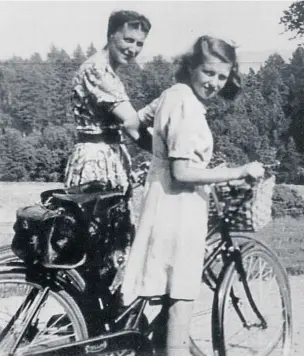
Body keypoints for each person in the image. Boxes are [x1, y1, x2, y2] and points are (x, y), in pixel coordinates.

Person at [121, 35, 265, 356]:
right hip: (179, 211)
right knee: (180, 307)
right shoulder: (186, 104)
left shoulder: (172, 95)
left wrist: (163, 154)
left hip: (159, 202)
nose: (214, 83)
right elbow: (183, 173)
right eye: (208, 73)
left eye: (222, 76)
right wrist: (238, 171)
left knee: (168, 300)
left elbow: (132, 127)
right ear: (190, 67)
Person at [64, 10, 155, 294]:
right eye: (128, 39)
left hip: (107, 155)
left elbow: (131, 128)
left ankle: (98, 326)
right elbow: (131, 123)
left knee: (108, 251)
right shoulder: (98, 70)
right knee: (100, 250)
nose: (133, 48)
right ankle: (89, 327)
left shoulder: (107, 70)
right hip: (96, 160)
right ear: (110, 34)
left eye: (140, 43)